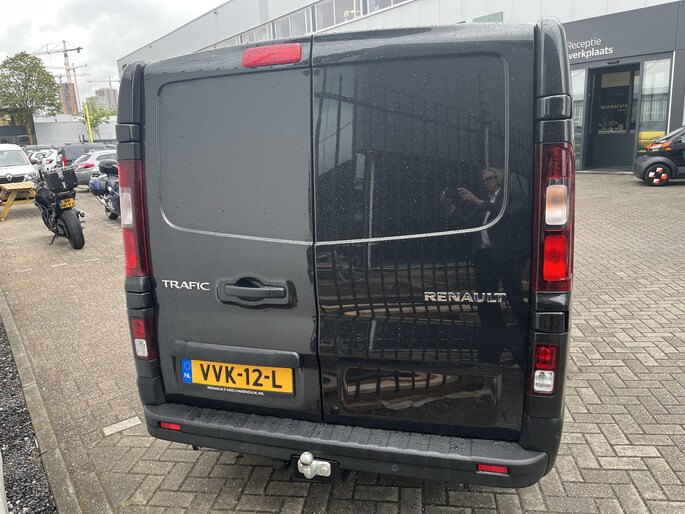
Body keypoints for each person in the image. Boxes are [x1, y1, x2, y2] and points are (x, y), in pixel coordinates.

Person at [440, 167, 530, 364]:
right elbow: (466, 224)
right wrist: (450, 208)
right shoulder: (486, 203)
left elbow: (510, 213)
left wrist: (478, 202)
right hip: (484, 257)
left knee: (514, 297)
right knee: (485, 298)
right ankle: (494, 334)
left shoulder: (514, 196)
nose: (486, 183)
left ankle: (524, 333)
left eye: (489, 179)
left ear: (499, 179)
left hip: (507, 257)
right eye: (484, 180)